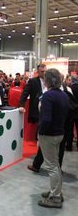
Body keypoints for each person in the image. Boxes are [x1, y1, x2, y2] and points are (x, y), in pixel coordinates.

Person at [37, 69, 69, 208]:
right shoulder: (63, 95)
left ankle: (55, 198)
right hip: (59, 133)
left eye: (45, 78)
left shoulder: (48, 96)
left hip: (49, 135)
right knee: (55, 165)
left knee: (51, 167)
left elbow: (46, 119)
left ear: (48, 80)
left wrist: (40, 133)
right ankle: (56, 192)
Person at [19, 64, 47, 172]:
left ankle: (40, 151)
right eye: (41, 71)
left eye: (45, 71)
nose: (43, 73)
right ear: (38, 72)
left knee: (42, 133)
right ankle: (40, 150)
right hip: (37, 110)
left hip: (47, 110)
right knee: (40, 131)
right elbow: (24, 94)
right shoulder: (33, 81)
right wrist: (21, 105)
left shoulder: (49, 81)